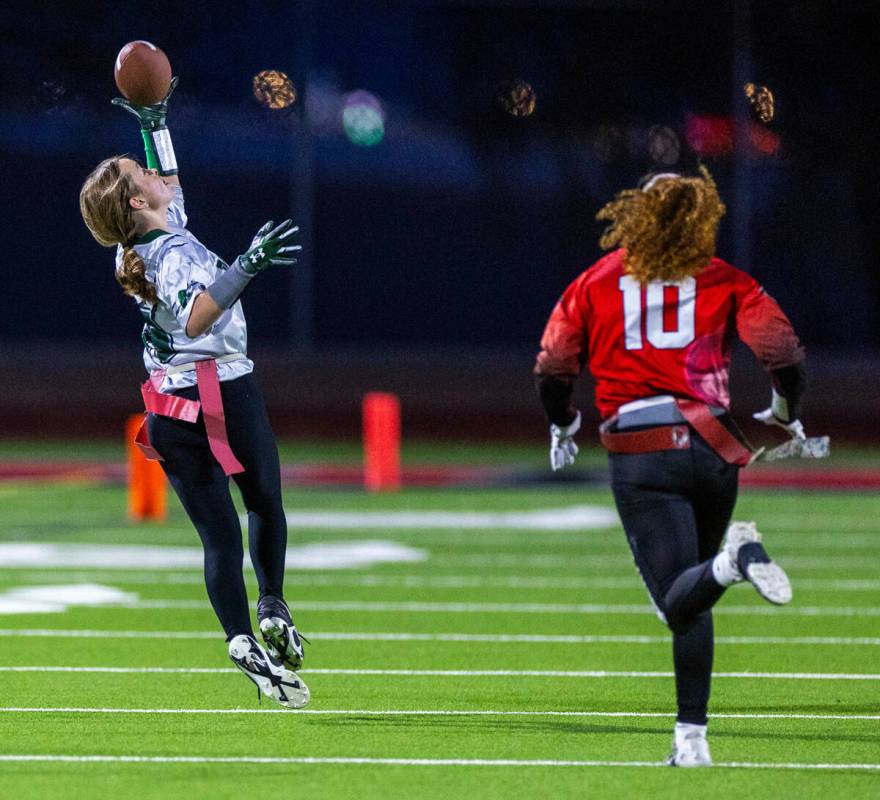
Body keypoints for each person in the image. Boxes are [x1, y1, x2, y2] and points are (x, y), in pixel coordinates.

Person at [534, 168, 807, 766]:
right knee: (696, 587)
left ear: (634, 215)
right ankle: (691, 742)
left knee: (681, 596)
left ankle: (735, 562)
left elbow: (554, 366)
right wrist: (786, 408)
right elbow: (783, 350)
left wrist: (562, 423)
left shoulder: (597, 279)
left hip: (643, 448)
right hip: (713, 446)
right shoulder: (723, 277)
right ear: (697, 216)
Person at [79, 78, 309, 709]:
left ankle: (240, 636)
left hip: (170, 409)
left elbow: (169, 179)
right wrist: (249, 264)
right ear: (133, 201)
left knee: (217, 538)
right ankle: (273, 603)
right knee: (264, 503)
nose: (154, 175)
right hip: (222, 394)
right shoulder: (170, 252)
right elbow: (202, 315)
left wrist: (155, 123)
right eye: (139, 172)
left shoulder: (143, 239)